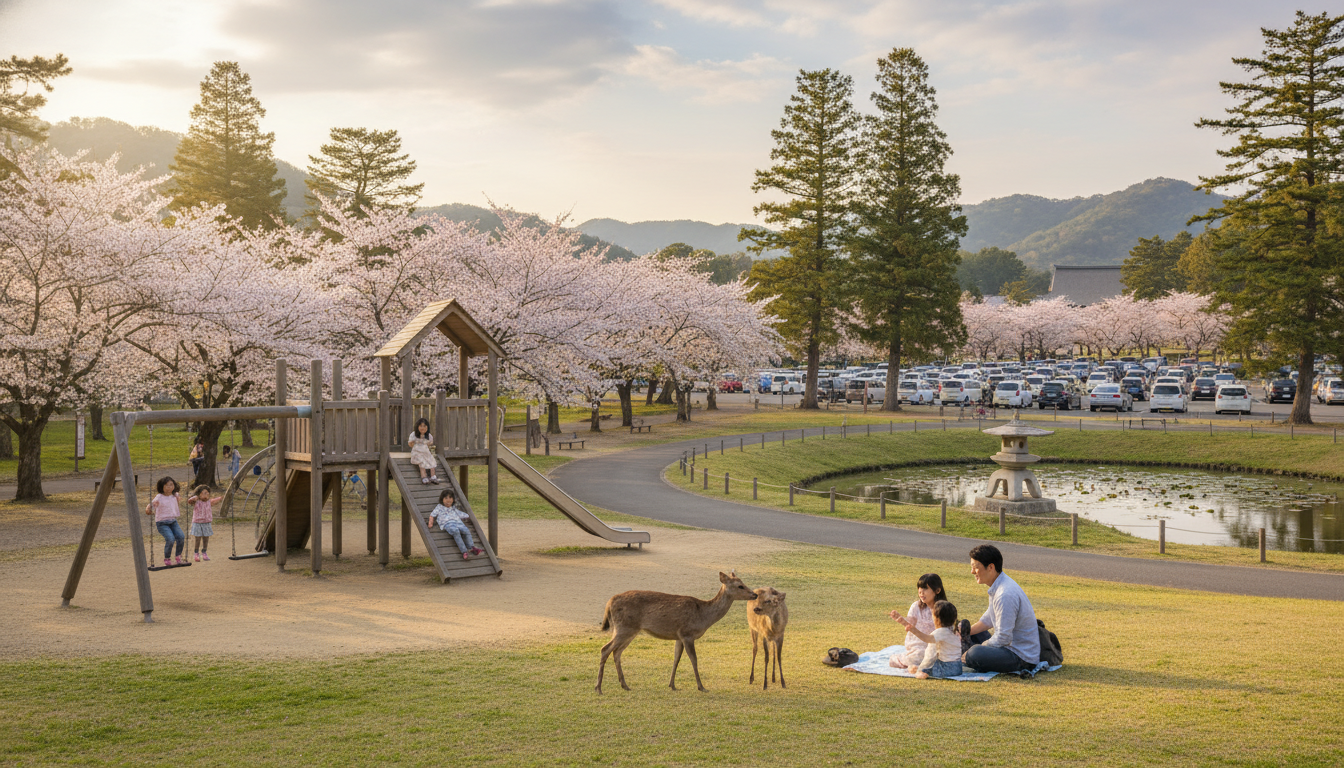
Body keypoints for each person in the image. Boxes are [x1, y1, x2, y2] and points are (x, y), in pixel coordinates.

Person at [961, 544, 1040, 674]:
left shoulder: (1005, 594)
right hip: (1007, 647)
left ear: (990, 567)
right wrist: (963, 633)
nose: (972, 572)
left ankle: (967, 655)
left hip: (1020, 657)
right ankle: (968, 650)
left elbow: (1004, 638)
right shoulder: (999, 585)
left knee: (974, 653)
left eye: (975, 567)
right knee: (969, 630)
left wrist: (979, 648)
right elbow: (988, 620)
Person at [887, 573, 946, 669]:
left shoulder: (943, 608)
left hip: (937, 645)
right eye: (919, 588)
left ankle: (916, 666)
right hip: (918, 646)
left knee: (936, 657)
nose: (921, 592)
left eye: (925, 588)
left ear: (937, 590)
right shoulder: (916, 606)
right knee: (920, 656)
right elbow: (911, 623)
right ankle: (899, 659)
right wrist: (902, 620)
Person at [896, 600, 963, 679]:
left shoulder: (941, 632)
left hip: (947, 667)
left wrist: (913, 630)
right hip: (958, 667)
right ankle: (920, 669)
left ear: (937, 619)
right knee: (931, 663)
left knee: (926, 668)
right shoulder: (953, 630)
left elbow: (927, 639)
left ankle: (921, 672)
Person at [145, 477, 187, 566]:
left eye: (171, 485)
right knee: (170, 539)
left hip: (173, 521)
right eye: (167, 485)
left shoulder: (175, 496)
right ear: (162, 487)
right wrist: (149, 509)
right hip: (162, 523)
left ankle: (178, 556)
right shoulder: (159, 497)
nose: (169, 487)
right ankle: (167, 558)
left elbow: (178, 499)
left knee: (181, 537)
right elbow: (150, 506)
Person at [429, 488, 481, 559]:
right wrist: (430, 523)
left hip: (458, 523)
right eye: (446, 498)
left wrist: (469, 516)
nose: (448, 500)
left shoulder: (453, 508)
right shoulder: (439, 507)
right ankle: (464, 551)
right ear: (442, 499)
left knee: (466, 530)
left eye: (450, 498)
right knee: (455, 531)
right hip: (448, 524)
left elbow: (461, 514)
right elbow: (432, 515)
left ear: (453, 500)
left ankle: (471, 547)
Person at [189, 485, 222, 561]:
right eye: (204, 493)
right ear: (199, 494)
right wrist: (195, 497)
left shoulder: (209, 502)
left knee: (206, 538)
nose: (206, 495)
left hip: (206, 522)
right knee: (198, 538)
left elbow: (218, 499)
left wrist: (223, 497)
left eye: (207, 493)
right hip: (197, 522)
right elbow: (189, 501)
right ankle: (196, 553)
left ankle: (204, 552)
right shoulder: (196, 502)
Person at [408, 418, 440, 484]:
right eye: (421, 426)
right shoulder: (413, 435)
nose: (423, 428)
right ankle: (424, 476)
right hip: (417, 452)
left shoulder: (428, 435)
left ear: (427, 427)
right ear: (417, 427)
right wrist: (412, 443)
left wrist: (426, 448)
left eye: (424, 426)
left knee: (431, 461)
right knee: (422, 462)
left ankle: (433, 476)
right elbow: (410, 444)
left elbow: (430, 443)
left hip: (425, 451)